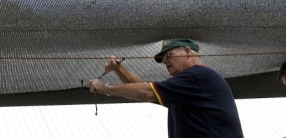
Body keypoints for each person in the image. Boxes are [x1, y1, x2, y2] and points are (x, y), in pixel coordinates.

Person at [88, 38, 243, 138]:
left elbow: (147, 91)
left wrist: (106, 88)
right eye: (163, 59)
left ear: (187, 52)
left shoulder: (198, 76)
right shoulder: (188, 89)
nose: (165, 62)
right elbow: (148, 91)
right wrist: (119, 69)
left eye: (169, 55)